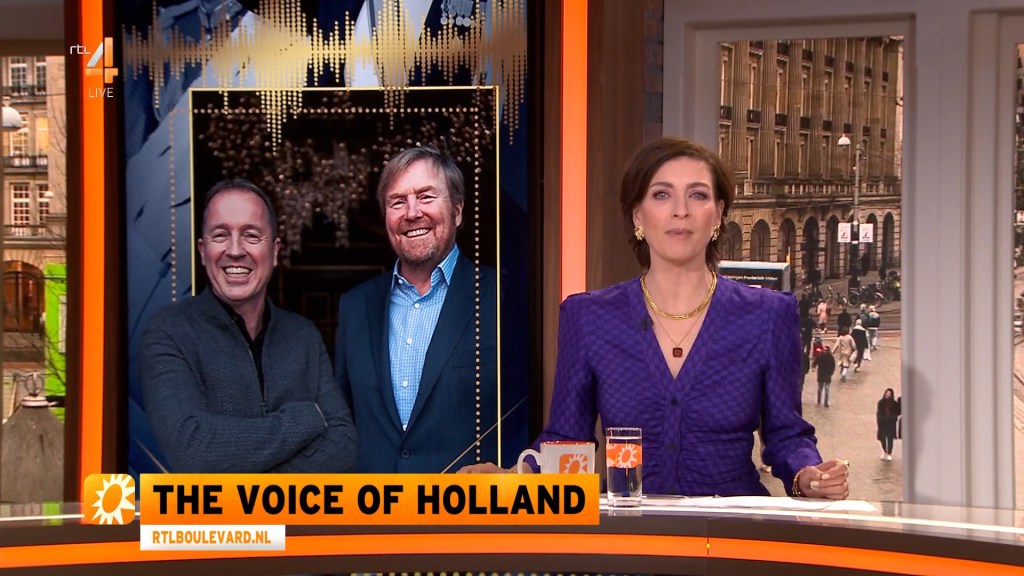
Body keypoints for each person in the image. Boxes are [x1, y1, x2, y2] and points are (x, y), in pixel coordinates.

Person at [461, 137, 850, 499]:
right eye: (661, 194)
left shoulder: (768, 315)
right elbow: (568, 439)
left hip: (732, 535)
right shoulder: (588, 317)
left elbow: (787, 436)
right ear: (638, 215)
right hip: (631, 536)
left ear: (718, 214)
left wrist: (808, 476)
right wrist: (517, 476)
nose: (681, 210)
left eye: (697, 195)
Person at [141, 179, 358, 472]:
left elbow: (344, 447)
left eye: (251, 236)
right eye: (220, 235)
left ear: (275, 251)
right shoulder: (169, 332)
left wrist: (247, 477)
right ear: (202, 251)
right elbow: (192, 450)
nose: (235, 250)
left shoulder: (304, 336)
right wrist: (306, 418)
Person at [335, 145, 498, 473]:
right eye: (397, 202)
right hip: (375, 503)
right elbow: (341, 423)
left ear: (457, 211)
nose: (412, 213)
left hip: (468, 502)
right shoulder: (354, 307)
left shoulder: (499, 297)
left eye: (426, 196)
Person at [876, 388, 901, 461]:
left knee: (890, 438)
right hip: (882, 423)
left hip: (891, 423)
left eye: (889, 394)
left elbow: (898, 412)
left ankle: (889, 453)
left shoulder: (894, 403)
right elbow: (879, 412)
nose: (887, 395)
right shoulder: (881, 402)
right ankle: (884, 451)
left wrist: (893, 417)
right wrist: (880, 419)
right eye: (887, 393)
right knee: (882, 438)